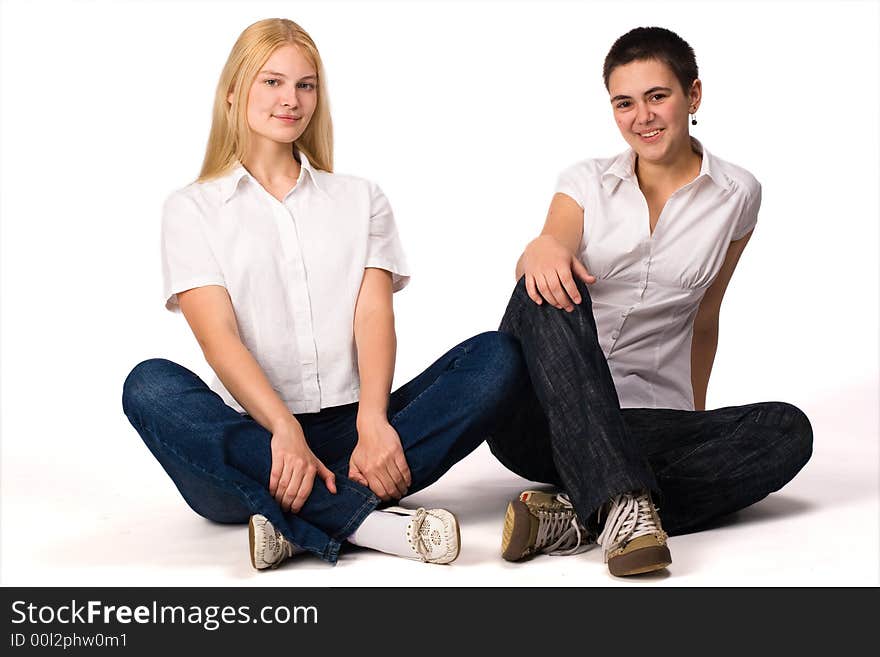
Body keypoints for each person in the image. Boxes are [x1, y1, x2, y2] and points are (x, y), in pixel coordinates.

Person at [121, 18, 525, 570]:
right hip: (250, 448)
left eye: (305, 85)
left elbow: (373, 315)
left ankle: (295, 522)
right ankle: (368, 524)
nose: (291, 99)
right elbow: (220, 340)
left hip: (358, 442)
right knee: (149, 385)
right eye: (272, 82)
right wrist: (283, 430)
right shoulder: (191, 209)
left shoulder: (360, 198)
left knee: (496, 357)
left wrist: (373, 422)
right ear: (235, 91)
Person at [487, 26, 813, 577]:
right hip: (543, 418)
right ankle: (620, 504)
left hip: (642, 417)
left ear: (693, 96)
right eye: (624, 103)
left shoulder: (739, 195)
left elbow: (706, 316)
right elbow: (550, 251)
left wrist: (696, 428)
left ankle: (580, 513)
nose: (643, 116)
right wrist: (541, 246)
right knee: (546, 282)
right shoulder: (585, 181)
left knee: (788, 430)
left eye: (657, 96)